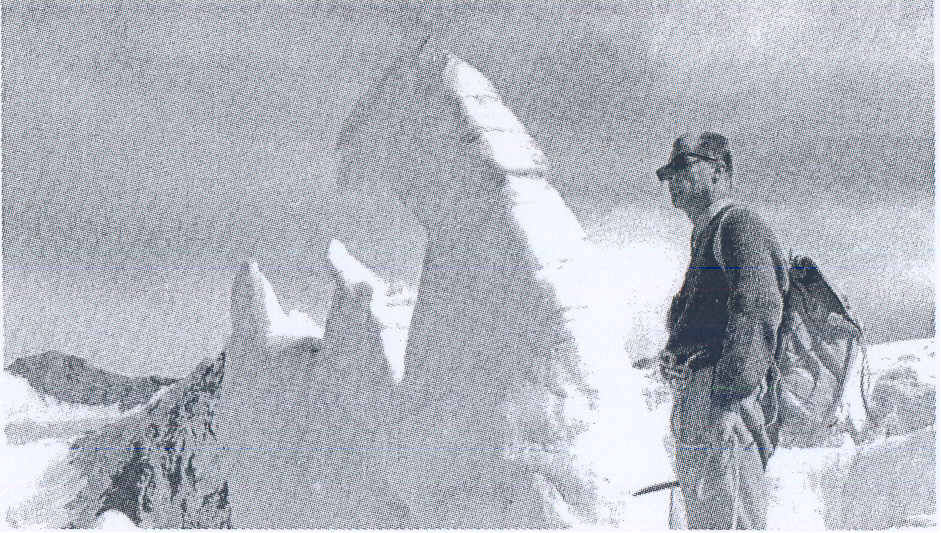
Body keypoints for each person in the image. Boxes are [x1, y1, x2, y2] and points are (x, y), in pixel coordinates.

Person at [656, 132, 789, 529]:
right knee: (709, 518)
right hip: (702, 397)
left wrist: (732, 400)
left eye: (684, 168)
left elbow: (758, 307)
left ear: (717, 172)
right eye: (669, 174)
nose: (673, 181)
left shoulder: (738, 224)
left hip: (723, 398)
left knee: (734, 518)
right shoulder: (707, 235)